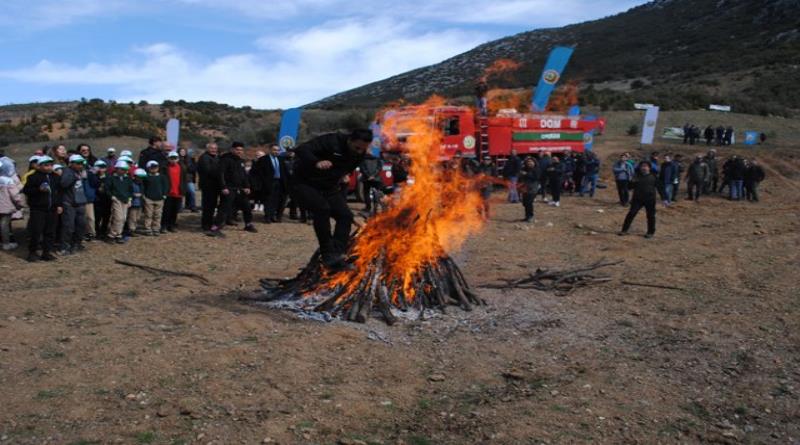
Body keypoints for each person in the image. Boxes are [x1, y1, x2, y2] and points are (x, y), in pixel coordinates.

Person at [291, 129, 372, 268]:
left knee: (345, 215)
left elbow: (349, 167)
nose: (359, 151)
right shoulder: (331, 141)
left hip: (329, 186)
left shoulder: (360, 153)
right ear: (350, 140)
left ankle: (338, 254)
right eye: (357, 147)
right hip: (305, 182)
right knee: (322, 209)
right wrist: (317, 162)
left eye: (362, 149)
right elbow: (301, 149)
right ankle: (327, 253)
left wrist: (343, 175)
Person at [208, 142, 257, 236]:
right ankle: (215, 228)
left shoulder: (240, 161)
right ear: (232, 149)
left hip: (240, 188)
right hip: (228, 188)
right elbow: (221, 174)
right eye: (237, 150)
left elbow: (244, 175)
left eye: (241, 150)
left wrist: (247, 186)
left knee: (247, 207)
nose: (239, 151)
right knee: (224, 208)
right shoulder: (225, 159)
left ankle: (248, 224)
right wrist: (223, 187)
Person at [22, 156, 61, 261]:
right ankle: (32, 253)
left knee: (50, 232)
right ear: (39, 166)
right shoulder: (33, 177)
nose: (49, 167)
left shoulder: (55, 177)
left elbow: (59, 192)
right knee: (36, 231)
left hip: (52, 209)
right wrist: (38, 189)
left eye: (50, 165)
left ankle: (46, 253)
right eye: (46, 165)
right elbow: (26, 190)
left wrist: (59, 205)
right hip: (38, 209)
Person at [619, 162, 658, 238]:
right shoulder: (637, 177)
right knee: (631, 214)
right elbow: (629, 187)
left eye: (645, 166)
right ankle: (624, 230)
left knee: (651, 216)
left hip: (650, 199)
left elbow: (660, 187)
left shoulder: (653, 177)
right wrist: (631, 181)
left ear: (649, 168)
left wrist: (665, 198)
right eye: (642, 166)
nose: (643, 168)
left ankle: (650, 232)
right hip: (637, 199)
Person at [58, 154, 88, 255]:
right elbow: (63, 184)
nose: (81, 165)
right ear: (71, 163)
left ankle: (77, 244)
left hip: (80, 202)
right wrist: (73, 178)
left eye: (82, 163)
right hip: (69, 203)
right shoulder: (67, 172)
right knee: (68, 226)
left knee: (81, 225)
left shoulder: (79, 172)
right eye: (78, 163)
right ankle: (65, 247)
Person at [252, 144, 289, 223]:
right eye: (274, 150)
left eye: (278, 150)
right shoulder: (263, 159)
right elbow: (258, 173)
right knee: (268, 200)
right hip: (268, 183)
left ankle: (273, 216)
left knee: (277, 200)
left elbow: (285, 172)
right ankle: (267, 217)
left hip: (280, 182)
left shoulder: (281, 159)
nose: (276, 152)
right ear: (270, 150)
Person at [106, 161, 134, 244]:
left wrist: (130, 199)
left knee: (123, 218)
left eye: (125, 169)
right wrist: (111, 196)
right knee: (118, 217)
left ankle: (118, 234)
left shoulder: (127, 179)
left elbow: (130, 189)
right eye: (122, 169)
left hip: (125, 199)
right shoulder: (112, 178)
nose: (124, 171)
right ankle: (112, 234)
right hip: (116, 199)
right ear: (117, 169)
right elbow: (107, 189)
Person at [197, 142, 221, 232]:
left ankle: (211, 222)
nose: (214, 150)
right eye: (212, 148)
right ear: (207, 149)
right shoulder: (204, 158)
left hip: (216, 185)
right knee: (208, 206)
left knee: (213, 205)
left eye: (215, 148)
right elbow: (208, 170)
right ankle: (206, 224)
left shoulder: (217, 157)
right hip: (208, 186)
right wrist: (220, 173)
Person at [141, 161, 168, 236]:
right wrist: (144, 196)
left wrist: (164, 194)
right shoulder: (146, 177)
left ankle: (156, 228)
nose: (154, 169)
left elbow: (165, 186)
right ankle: (148, 229)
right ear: (148, 168)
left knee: (158, 215)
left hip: (159, 199)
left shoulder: (162, 177)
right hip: (149, 198)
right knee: (148, 214)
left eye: (156, 167)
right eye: (152, 168)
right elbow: (143, 187)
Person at [162, 151, 185, 233]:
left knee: (175, 210)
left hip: (178, 192)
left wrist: (183, 190)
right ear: (168, 158)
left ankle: (172, 225)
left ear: (178, 159)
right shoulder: (164, 167)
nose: (173, 160)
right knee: (166, 210)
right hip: (168, 192)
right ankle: (164, 225)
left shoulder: (182, 167)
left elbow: (184, 179)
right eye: (171, 158)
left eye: (175, 158)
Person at [0, 174, 23, 251]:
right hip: (6, 207)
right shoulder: (7, 180)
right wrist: (19, 204)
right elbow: (15, 195)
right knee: (4, 225)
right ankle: (6, 244)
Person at [519, 157, 539, 222]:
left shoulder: (536, 169)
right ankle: (527, 216)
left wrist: (527, 174)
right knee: (525, 203)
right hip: (525, 188)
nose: (529, 163)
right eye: (528, 162)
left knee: (529, 202)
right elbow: (521, 177)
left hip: (532, 188)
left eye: (531, 162)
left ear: (534, 162)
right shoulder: (524, 169)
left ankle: (530, 216)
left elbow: (536, 177)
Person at [179, 147, 198, 212]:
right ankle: (179, 207)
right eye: (181, 151)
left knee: (192, 192)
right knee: (180, 193)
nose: (183, 152)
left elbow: (193, 169)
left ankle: (192, 206)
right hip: (180, 179)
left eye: (184, 151)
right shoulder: (177, 159)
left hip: (189, 179)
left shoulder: (190, 159)